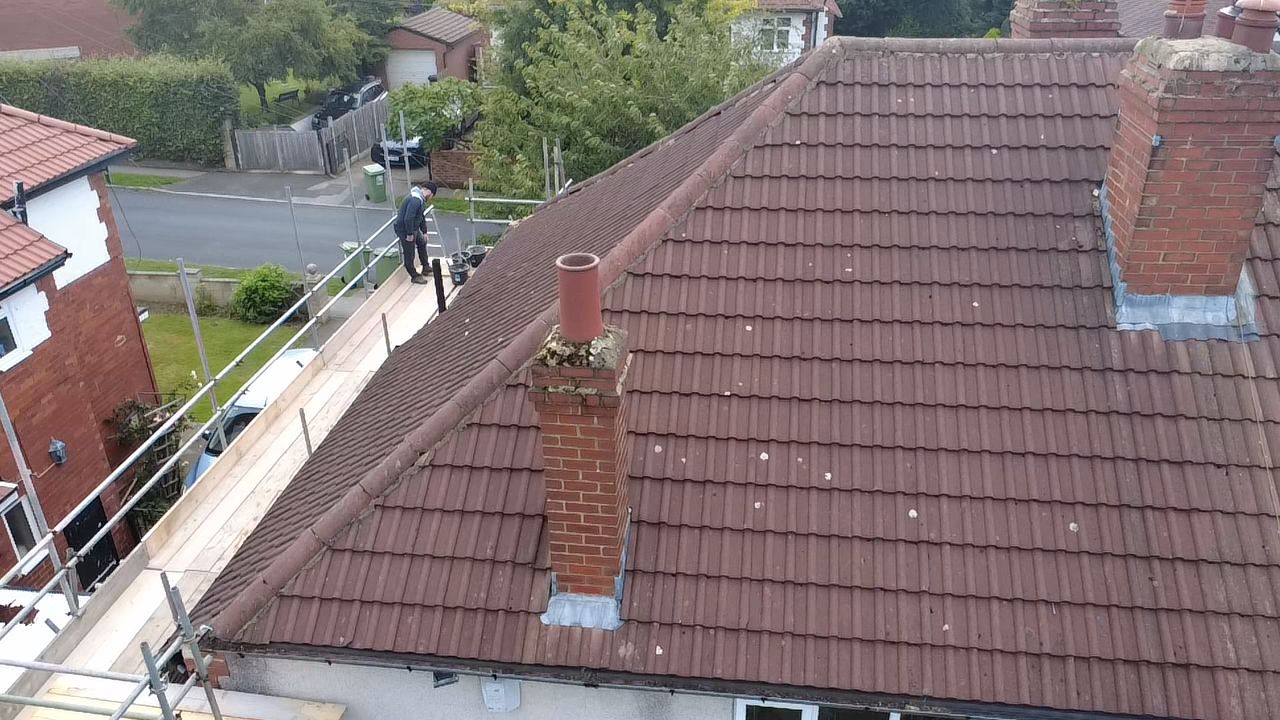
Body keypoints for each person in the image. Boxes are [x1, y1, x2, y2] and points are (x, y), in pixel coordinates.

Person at [394, 181, 438, 284]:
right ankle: (414, 276)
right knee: (409, 253)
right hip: (405, 230)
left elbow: (421, 216)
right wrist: (409, 234)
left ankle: (425, 266)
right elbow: (408, 218)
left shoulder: (420, 199)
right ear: (429, 192)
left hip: (413, 228)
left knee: (422, 242)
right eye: (432, 196)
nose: (430, 198)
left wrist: (424, 232)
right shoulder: (415, 200)